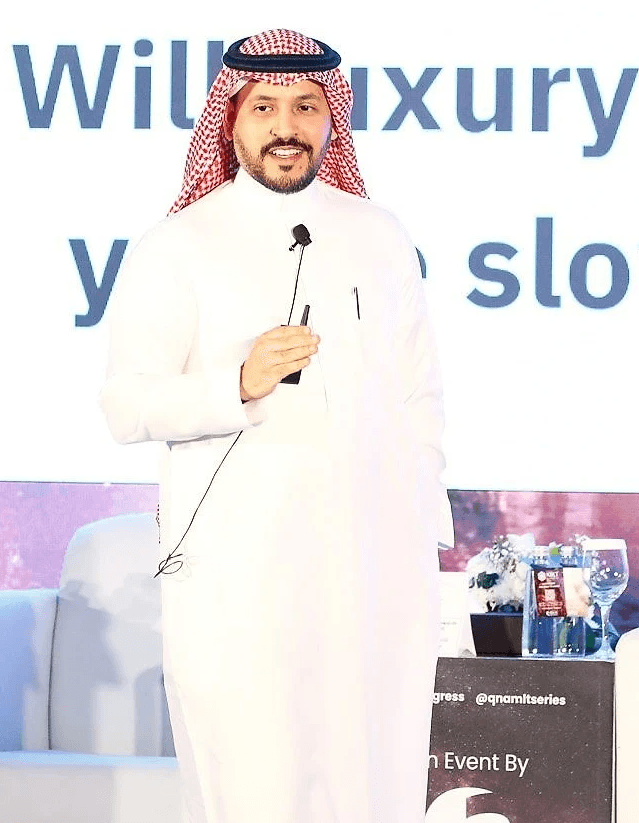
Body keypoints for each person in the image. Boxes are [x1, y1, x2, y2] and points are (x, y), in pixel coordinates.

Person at [100, 28, 453, 823]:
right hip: (240, 574)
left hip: (373, 570)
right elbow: (126, 404)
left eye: (304, 105)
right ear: (229, 119)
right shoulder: (176, 246)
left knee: (374, 780)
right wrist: (237, 382)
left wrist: (415, 513)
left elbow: (419, 393)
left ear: (332, 120)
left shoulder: (378, 233)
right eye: (263, 107)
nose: (285, 126)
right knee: (254, 782)